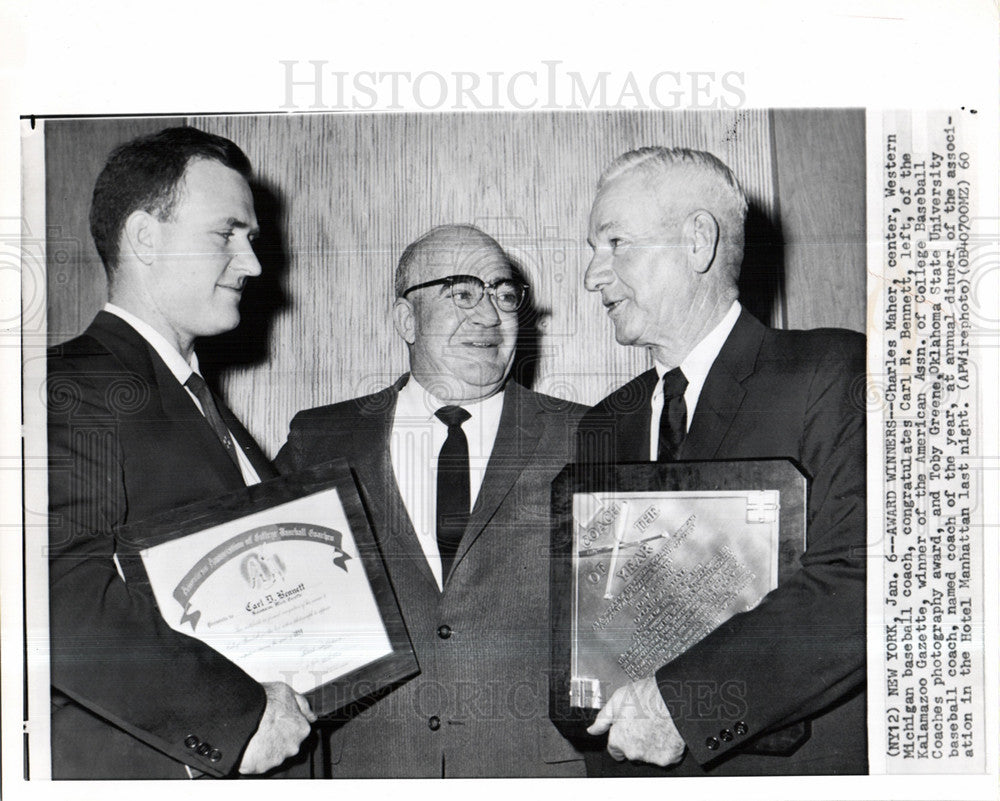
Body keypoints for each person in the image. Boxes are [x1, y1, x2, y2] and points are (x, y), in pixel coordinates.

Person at [577, 147, 866, 775]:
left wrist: (681, 705)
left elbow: (862, 582)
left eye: (615, 242)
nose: (592, 276)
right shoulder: (604, 425)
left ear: (697, 241)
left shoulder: (831, 373)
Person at [47, 127, 316, 779]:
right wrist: (234, 716)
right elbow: (51, 597)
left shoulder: (199, 401)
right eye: (227, 233)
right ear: (144, 237)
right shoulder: (70, 386)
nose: (253, 263)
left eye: (251, 238)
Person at [276, 224, 586, 777]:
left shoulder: (586, 435)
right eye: (463, 292)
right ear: (405, 319)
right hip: (369, 771)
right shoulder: (321, 439)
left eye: (504, 294)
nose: (490, 316)